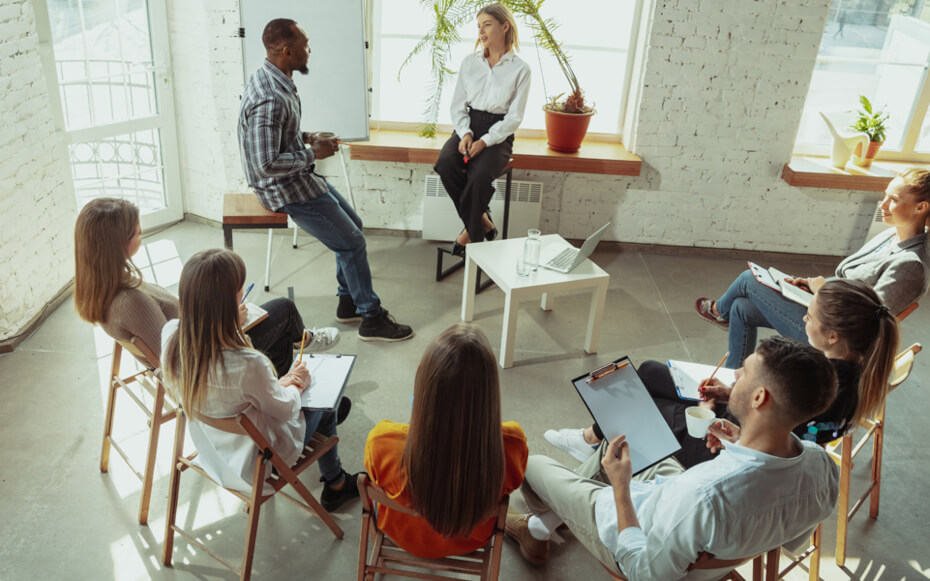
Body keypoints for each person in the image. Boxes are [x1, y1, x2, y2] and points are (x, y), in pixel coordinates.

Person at [506, 337, 840, 580]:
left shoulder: (705, 494)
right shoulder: (822, 466)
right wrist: (742, 443)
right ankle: (549, 520)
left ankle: (537, 528)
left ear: (759, 397)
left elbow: (642, 571)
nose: (735, 374)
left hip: (632, 530)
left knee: (531, 463)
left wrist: (621, 487)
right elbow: (792, 536)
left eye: (743, 373)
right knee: (630, 433)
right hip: (688, 518)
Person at [546, 278, 899, 468]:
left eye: (811, 316)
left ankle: (594, 443)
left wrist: (722, 411)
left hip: (729, 449)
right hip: (749, 427)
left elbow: (763, 436)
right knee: (651, 372)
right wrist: (731, 394)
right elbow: (777, 412)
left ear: (834, 336)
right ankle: (595, 439)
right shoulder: (852, 372)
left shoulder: (820, 380)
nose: (803, 318)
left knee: (645, 399)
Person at [238, 18, 413, 342]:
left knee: (354, 226)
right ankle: (371, 318)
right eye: (304, 45)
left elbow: (278, 136)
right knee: (353, 242)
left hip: (295, 178)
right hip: (283, 189)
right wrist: (313, 153)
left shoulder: (273, 79)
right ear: (288, 51)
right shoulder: (270, 97)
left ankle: (348, 303)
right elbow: (265, 164)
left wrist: (306, 137)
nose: (309, 50)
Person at [161, 248, 361, 510]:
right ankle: (336, 483)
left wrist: (283, 380)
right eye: (239, 290)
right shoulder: (245, 363)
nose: (242, 293)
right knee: (325, 400)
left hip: (214, 450)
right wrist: (294, 381)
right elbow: (287, 409)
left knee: (286, 368)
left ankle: (328, 425)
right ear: (229, 301)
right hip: (257, 461)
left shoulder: (171, 336)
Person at [74, 198, 337, 376]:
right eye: (137, 232)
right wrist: (229, 323)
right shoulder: (130, 301)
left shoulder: (102, 285)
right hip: (213, 364)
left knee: (276, 324)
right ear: (117, 243)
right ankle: (296, 365)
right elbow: (179, 363)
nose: (142, 233)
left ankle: (288, 382)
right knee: (284, 311)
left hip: (203, 336)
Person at [695, 168, 929, 368]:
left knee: (748, 279)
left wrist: (822, 291)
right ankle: (733, 381)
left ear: (920, 208)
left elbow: (867, 319)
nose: (884, 204)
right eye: (885, 196)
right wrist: (811, 285)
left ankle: (718, 312)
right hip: (824, 311)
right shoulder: (890, 235)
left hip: (836, 340)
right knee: (741, 307)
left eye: (894, 199)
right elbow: (848, 280)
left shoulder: (911, 265)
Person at [363, 323, 528, 558]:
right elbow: (513, 482)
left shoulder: (382, 440)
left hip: (402, 536)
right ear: (489, 390)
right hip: (470, 541)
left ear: (423, 382)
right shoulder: (512, 443)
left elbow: (375, 474)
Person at [433, 3, 531, 256]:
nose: (481, 31)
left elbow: (514, 117)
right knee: (445, 163)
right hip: (468, 126)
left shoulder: (521, 69)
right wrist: (465, 133)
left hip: (499, 133)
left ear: (505, 26)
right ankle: (483, 223)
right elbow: (457, 105)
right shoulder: (469, 62)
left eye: (487, 24)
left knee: (477, 178)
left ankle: (471, 238)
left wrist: (485, 141)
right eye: (479, 26)